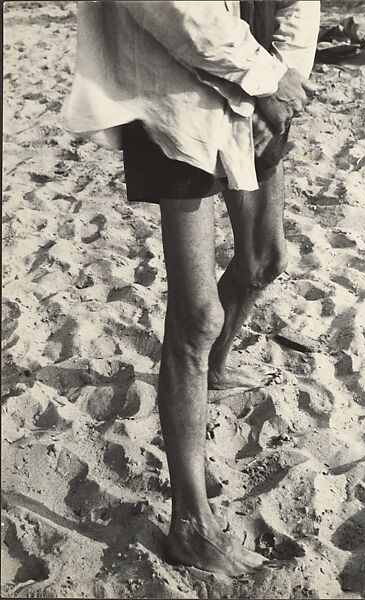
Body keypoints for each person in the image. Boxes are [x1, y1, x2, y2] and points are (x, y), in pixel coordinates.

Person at [63, 0, 320, 576]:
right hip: (173, 92)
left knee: (264, 260)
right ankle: (190, 524)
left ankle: (217, 370)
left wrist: (281, 77)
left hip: (259, 84)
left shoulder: (269, 78)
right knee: (197, 313)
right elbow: (173, 8)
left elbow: (299, 4)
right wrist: (261, 78)